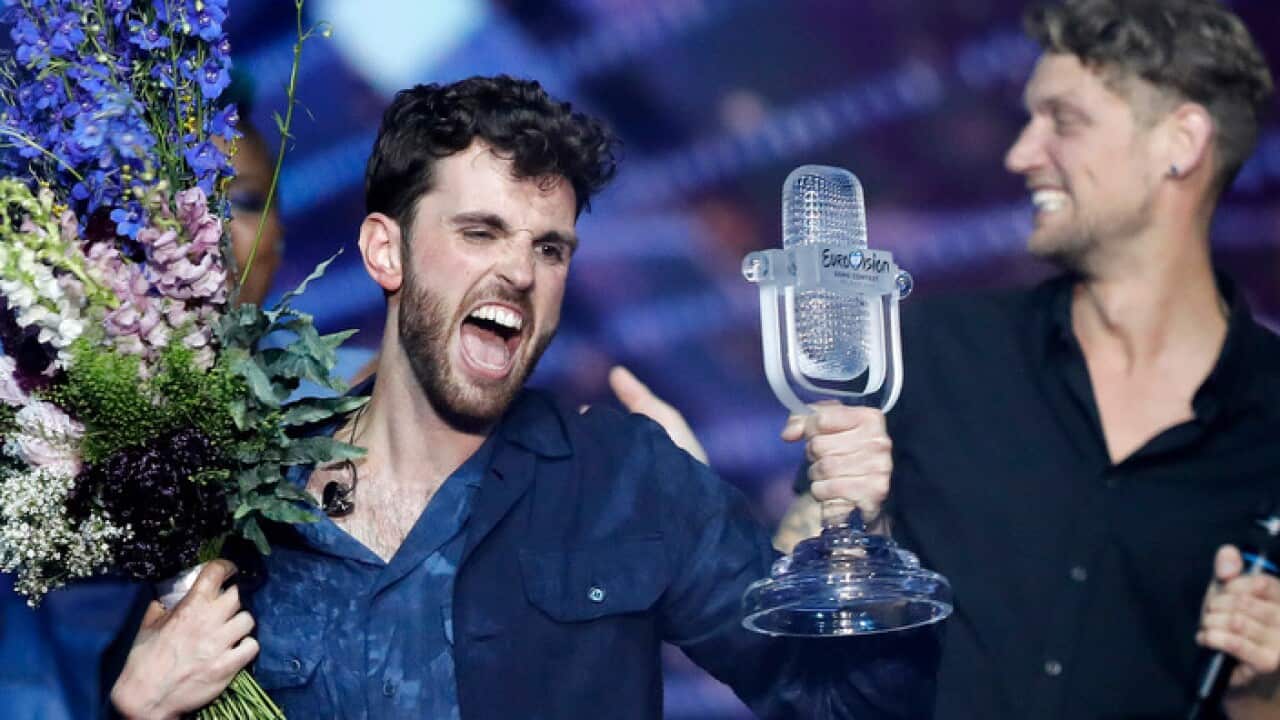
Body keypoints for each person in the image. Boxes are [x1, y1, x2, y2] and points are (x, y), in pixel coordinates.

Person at [107, 75, 938, 720]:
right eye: (479, 233)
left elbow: (841, 705)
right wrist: (137, 709)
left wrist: (856, 538)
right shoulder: (247, 492)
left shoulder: (630, 479)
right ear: (384, 252)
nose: (519, 271)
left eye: (550, 247)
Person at [696, 1, 1279, 718]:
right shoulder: (934, 352)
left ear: (1180, 142)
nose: (1021, 153)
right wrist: (825, 529)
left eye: (1063, 120)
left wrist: (1263, 695)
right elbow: (803, 664)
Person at [0, 83, 287, 720]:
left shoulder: (344, 413)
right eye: (177, 198)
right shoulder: (36, 442)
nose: (203, 232)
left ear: (280, 236)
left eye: (237, 200)